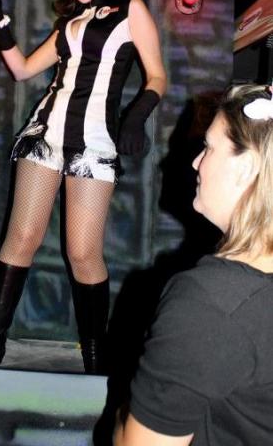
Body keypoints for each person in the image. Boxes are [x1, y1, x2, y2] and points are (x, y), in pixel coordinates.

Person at [0, 0, 167, 374]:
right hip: (46, 135)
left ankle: (96, 366)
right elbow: (23, 70)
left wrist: (136, 116)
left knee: (82, 252)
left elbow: (157, 75)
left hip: (94, 143)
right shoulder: (69, 24)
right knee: (21, 239)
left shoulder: (129, 7)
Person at [114, 83, 273, 444]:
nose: (195, 162)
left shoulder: (212, 304)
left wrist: (125, 399)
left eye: (209, 147)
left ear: (247, 167)